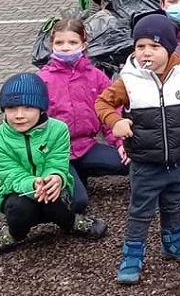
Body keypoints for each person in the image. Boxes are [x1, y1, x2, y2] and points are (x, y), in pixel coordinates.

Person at [95, 14, 180, 285]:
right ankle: (133, 254)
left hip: (178, 159)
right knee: (141, 210)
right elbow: (102, 103)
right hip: (146, 162)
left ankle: (172, 241)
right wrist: (116, 121)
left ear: (169, 48)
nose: (146, 52)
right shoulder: (129, 80)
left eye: (154, 46)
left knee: (173, 204)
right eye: (140, 46)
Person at [0, 73, 107, 258]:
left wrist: (55, 177)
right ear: (3, 109)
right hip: (19, 190)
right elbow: (11, 175)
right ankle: (14, 234)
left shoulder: (59, 129)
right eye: (12, 108)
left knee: (64, 203)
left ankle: (71, 223)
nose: (19, 115)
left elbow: (57, 161)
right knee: (18, 210)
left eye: (28, 107)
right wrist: (33, 184)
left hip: (51, 185)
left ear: (42, 108)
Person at [38, 18, 128, 214]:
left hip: (86, 146)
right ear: (51, 45)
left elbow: (111, 113)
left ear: (84, 45)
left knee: (132, 163)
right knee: (78, 203)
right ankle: (71, 175)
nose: (66, 48)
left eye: (72, 42)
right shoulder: (42, 81)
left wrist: (121, 143)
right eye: (59, 43)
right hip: (56, 154)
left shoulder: (96, 76)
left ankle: (82, 170)